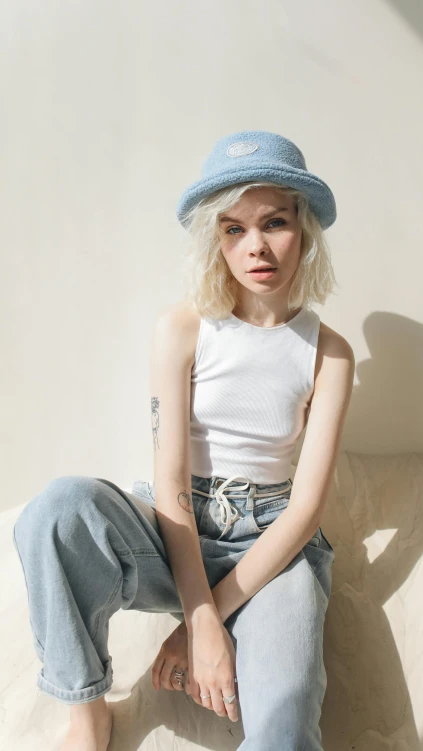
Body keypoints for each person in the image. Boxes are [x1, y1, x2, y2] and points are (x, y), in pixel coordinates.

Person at [12, 130, 355, 751]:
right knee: (56, 510)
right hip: (174, 529)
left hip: (270, 549)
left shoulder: (329, 353)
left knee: (287, 731)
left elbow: (305, 511)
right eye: (233, 229)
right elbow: (169, 482)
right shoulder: (183, 327)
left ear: (304, 231)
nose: (256, 246)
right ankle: (87, 715)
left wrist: (205, 621)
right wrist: (198, 619)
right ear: (214, 239)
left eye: (274, 222)